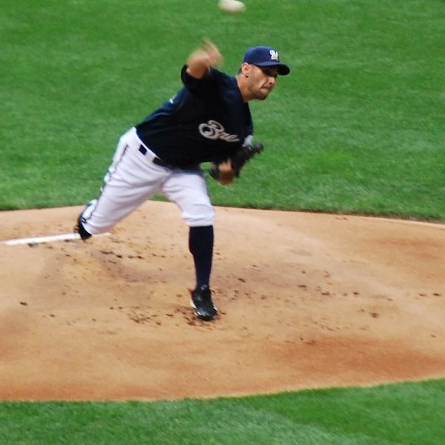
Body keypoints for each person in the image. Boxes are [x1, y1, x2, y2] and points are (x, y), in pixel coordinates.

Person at [75, 41, 290, 321]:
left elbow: (222, 177)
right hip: (141, 158)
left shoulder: (243, 128)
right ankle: (90, 214)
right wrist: (203, 58)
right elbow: (193, 71)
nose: (271, 80)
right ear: (246, 69)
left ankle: (202, 290)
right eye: (266, 72)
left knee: (202, 212)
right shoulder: (215, 85)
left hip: (183, 170)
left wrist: (229, 170)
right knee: (94, 228)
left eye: (275, 76)